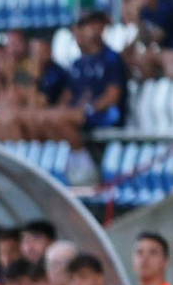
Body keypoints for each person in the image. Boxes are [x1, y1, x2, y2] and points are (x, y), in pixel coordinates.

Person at [42, 10, 127, 184]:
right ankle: (70, 159)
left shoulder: (111, 59)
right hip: (81, 112)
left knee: (64, 118)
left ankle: (87, 167)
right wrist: (61, 108)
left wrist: (88, 108)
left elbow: (113, 96)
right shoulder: (79, 63)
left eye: (84, 25)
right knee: (49, 117)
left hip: (106, 113)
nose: (80, 32)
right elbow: (69, 94)